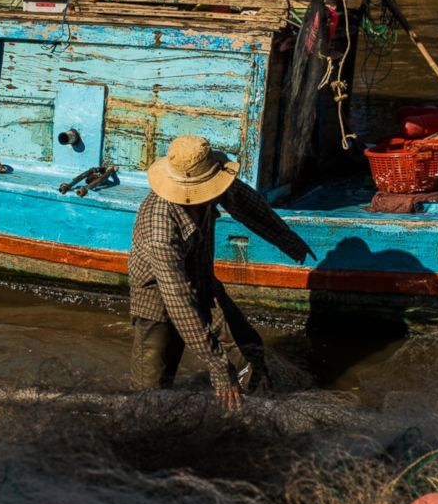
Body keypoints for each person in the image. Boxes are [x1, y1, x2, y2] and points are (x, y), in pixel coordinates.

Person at [130, 135, 311, 409]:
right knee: (151, 393)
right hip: (159, 300)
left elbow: (246, 201)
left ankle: (255, 415)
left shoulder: (209, 185)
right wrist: (216, 365)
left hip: (204, 284)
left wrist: (287, 239)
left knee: (249, 353)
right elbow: (178, 299)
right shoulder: (160, 228)